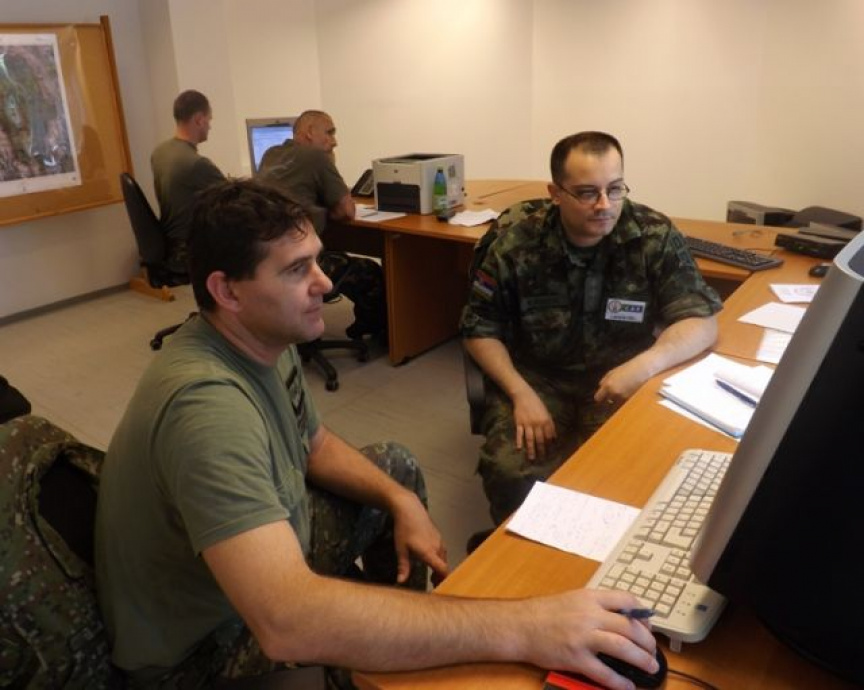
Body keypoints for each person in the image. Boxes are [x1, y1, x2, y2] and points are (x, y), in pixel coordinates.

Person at [95, 179, 659, 690]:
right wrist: (524, 627)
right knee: (409, 658)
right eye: (296, 270)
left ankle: (410, 636)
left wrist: (399, 499)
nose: (325, 283)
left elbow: (314, 445)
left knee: (394, 469)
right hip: (202, 650)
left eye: (317, 260)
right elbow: (286, 623)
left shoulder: (263, 339)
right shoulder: (207, 408)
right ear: (228, 291)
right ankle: (404, 666)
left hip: (253, 574)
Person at [461, 131, 722, 526]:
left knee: (631, 474)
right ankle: (514, 549)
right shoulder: (516, 242)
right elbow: (480, 327)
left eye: (615, 189)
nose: (604, 205)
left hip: (619, 379)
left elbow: (701, 321)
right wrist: (520, 393)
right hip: (538, 380)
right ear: (555, 193)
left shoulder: (652, 235)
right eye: (587, 193)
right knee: (511, 473)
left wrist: (645, 365)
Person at [256, 109, 387, 340]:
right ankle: (377, 330)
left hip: (267, 261)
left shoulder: (270, 155)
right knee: (369, 271)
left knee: (338, 255)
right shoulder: (315, 157)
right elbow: (347, 211)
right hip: (300, 264)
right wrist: (328, 164)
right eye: (329, 132)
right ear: (309, 132)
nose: (334, 141)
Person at [151, 89, 226, 273]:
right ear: (199, 119)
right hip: (189, 252)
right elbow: (236, 199)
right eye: (209, 120)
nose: (210, 126)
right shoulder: (196, 164)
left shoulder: (160, 153)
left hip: (171, 247)